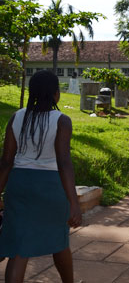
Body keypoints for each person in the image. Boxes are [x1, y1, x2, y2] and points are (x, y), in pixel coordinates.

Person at [0, 70, 82, 283]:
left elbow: (6, 161)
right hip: (50, 187)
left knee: (19, 250)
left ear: (32, 92)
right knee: (59, 241)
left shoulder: (17, 117)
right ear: (56, 94)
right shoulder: (61, 120)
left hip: (19, 185)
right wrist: (74, 202)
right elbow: (64, 162)